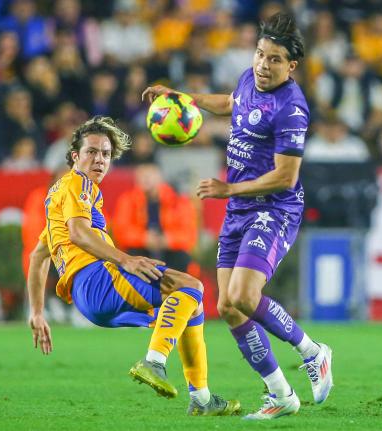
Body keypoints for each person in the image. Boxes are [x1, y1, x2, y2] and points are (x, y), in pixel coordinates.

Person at [142, 12, 333, 420]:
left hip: (274, 209)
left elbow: (286, 176)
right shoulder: (250, 80)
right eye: (260, 55)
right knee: (228, 307)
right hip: (239, 209)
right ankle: (281, 394)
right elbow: (230, 104)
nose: (263, 65)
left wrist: (228, 188)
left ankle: (313, 352)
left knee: (245, 296)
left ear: (291, 66)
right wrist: (183, 99)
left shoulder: (292, 108)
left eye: (274, 59)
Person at [26, 116, 240, 417]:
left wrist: (37, 312)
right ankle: (153, 362)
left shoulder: (61, 196)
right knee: (193, 286)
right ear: (75, 156)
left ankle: (202, 398)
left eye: (106, 154)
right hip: (98, 279)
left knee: (191, 303)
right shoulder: (78, 183)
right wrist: (126, 259)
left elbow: (39, 256)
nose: (99, 159)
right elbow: (79, 232)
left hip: (87, 298)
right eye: (91, 151)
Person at [113, 162, 197, 273]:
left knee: (182, 258)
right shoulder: (127, 200)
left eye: (149, 175)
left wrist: (167, 239)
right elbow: (121, 231)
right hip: (140, 248)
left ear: (160, 178)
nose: (145, 179)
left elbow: (189, 234)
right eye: (141, 176)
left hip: (170, 249)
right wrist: (144, 238)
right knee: (131, 256)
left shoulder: (178, 201)